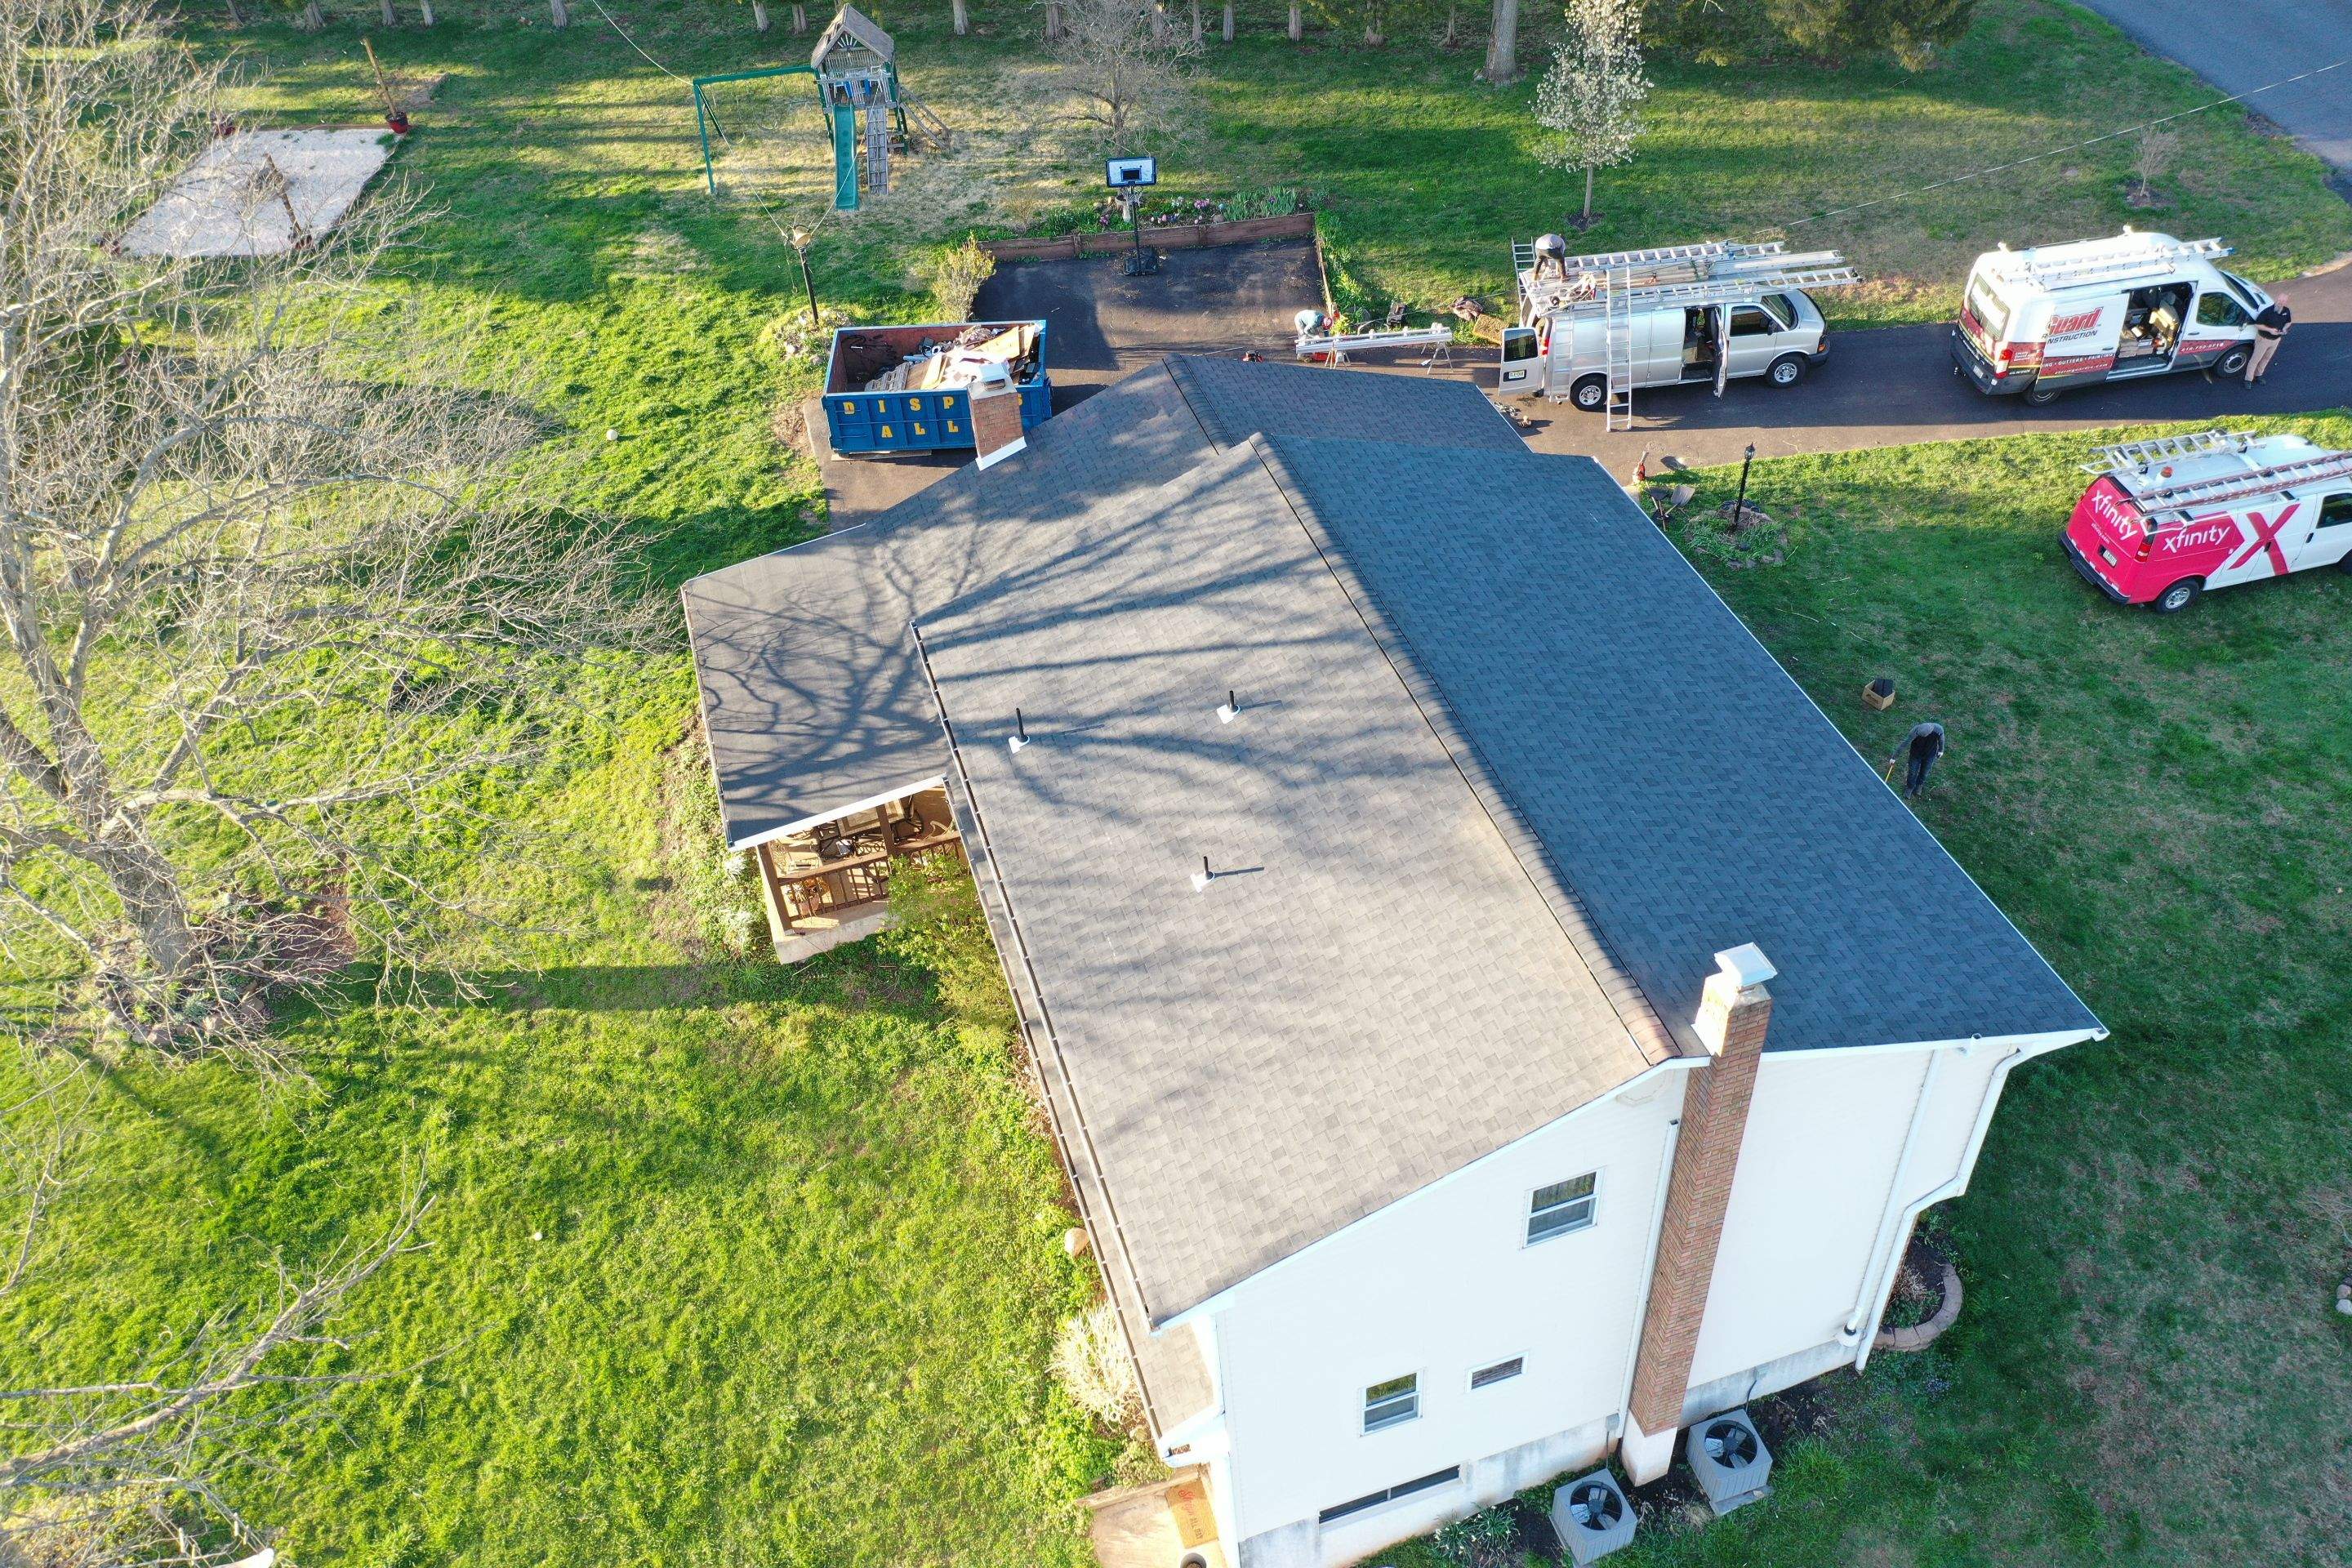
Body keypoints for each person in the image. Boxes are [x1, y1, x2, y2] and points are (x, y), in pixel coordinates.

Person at [2247, 300, 2292, 385]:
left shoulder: (2286, 311)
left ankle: (2258, 374)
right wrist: (2270, 330)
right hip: (2264, 339)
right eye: (2279, 301)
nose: (2280, 303)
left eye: (2283, 302)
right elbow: (2258, 325)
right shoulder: (2267, 312)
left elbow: (2288, 322)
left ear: (2286, 303)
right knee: (2255, 360)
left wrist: (2285, 329)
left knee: (2266, 358)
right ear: (2276, 301)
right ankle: (2248, 379)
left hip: (2276, 340)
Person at [1899, 721, 1945, 799]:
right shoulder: (1915, 731)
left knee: (1924, 773)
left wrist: (1941, 750)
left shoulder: (1938, 729)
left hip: (1929, 755)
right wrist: (1894, 757)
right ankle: (1910, 787)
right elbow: (1905, 744)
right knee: (1912, 772)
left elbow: (1941, 739)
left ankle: (1919, 785)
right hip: (1915, 754)